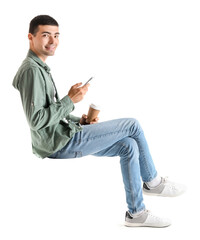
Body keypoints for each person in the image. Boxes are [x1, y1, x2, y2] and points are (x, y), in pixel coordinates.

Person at [12, 15, 186, 228]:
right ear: (31, 37)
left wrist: (80, 120)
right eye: (46, 35)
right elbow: (36, 121)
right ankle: (153, 182)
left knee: (129, 145)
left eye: (57, 35)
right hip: (59, 143)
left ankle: (136, 213)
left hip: (60, 137)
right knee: (132, 125)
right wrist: (69, 100)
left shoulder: (40, 67)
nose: (53, 41)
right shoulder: (31, 70)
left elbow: (48, 113)